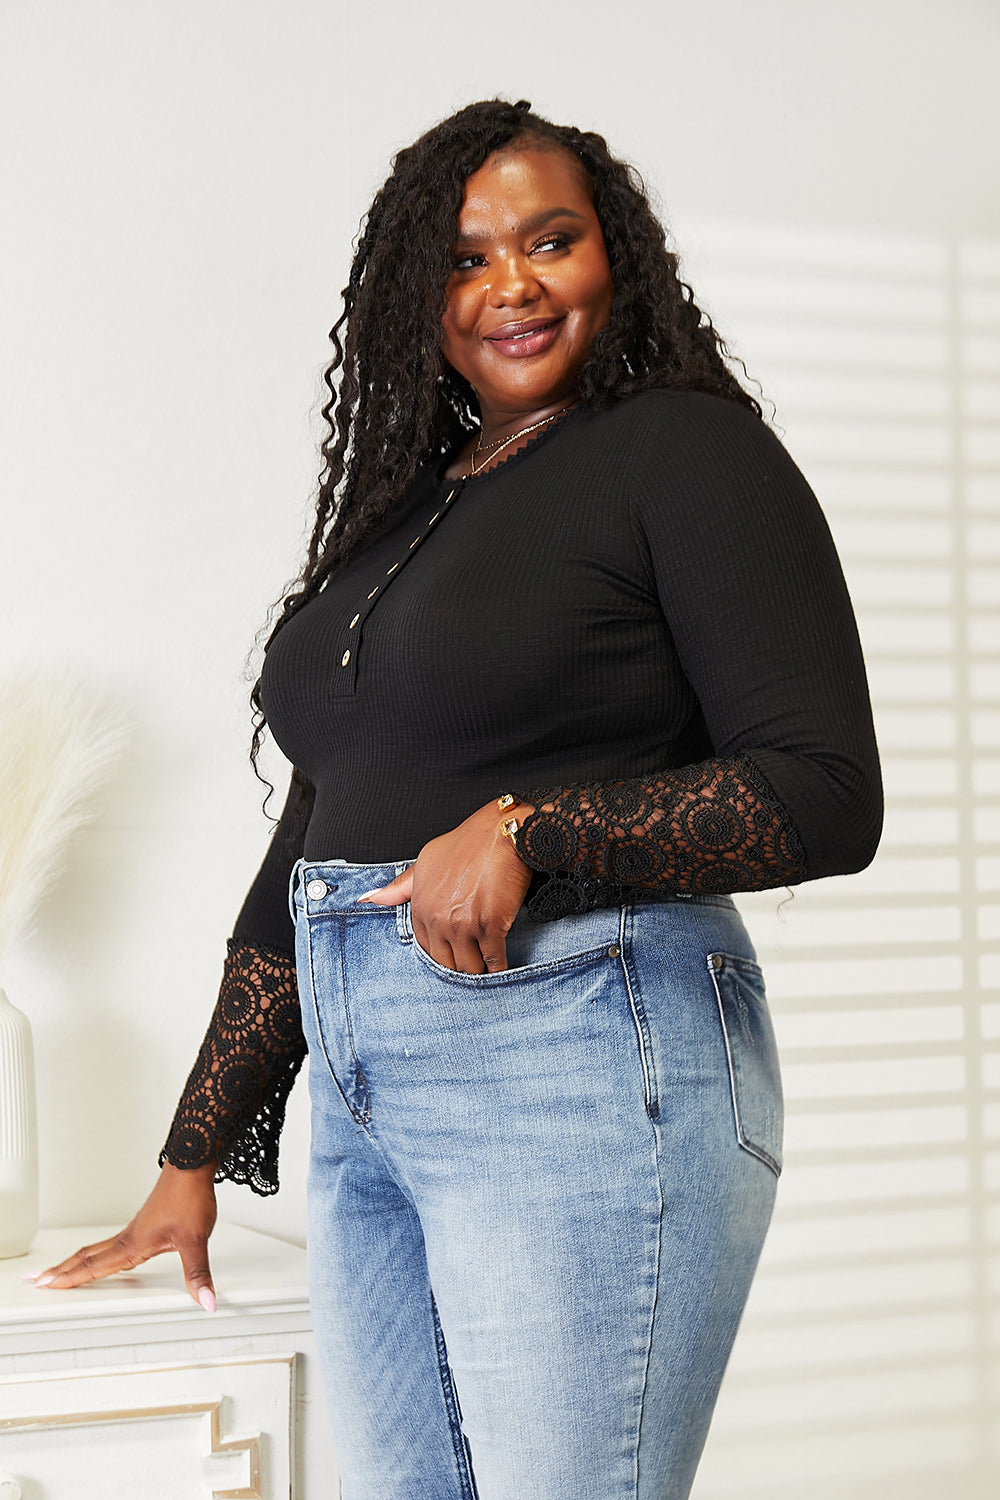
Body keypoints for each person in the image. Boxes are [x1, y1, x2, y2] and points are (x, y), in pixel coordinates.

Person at [29, 99, 882, 1498]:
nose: (513, 285)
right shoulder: (415, 502)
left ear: (621, 256)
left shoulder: (684, 450)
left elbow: (826, 793)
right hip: (370, 1093)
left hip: (581, 1054)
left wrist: (530, 832)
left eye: (551, 241)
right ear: (417, 295)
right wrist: (195, 1150)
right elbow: (322, 828)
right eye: (469, 258)